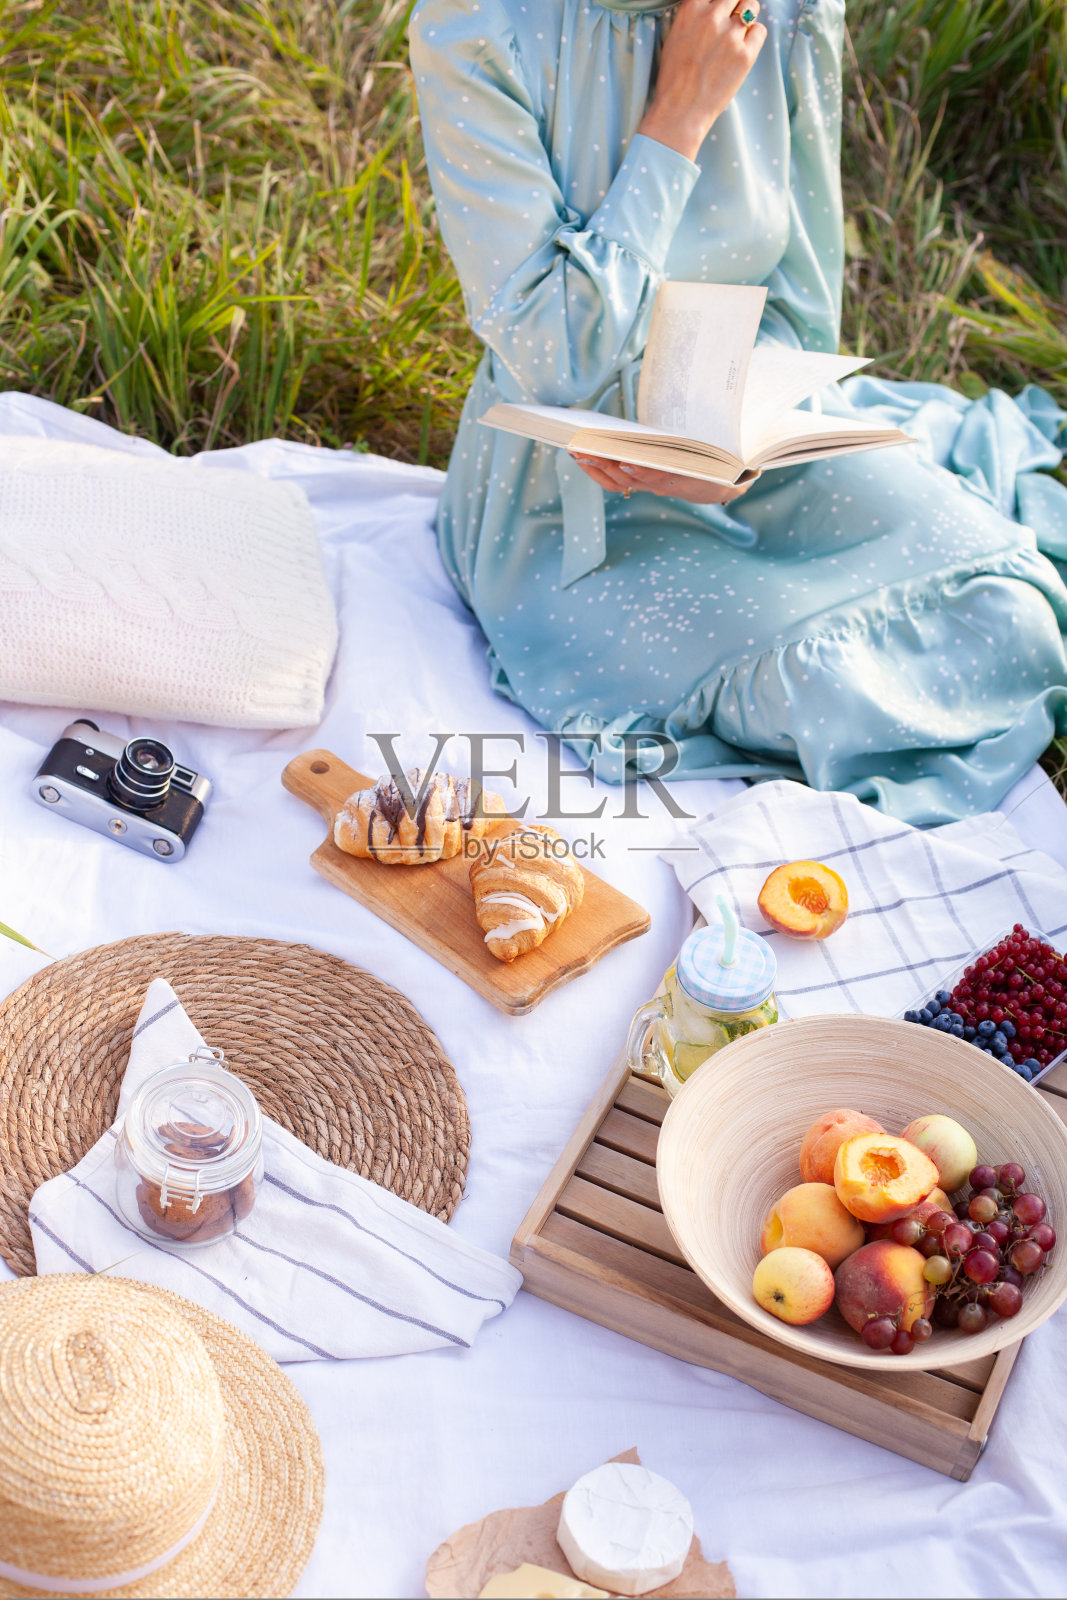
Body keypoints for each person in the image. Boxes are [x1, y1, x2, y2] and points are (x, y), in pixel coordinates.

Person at [408, 0, 1067, 824]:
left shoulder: (787, 15)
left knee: (1014, 617)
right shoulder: (479, 27)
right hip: (569, 494)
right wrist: (678, 115)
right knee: (822, 696)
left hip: (749, 437)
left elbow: (799, 306)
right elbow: (556, 357)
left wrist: (727, 442)